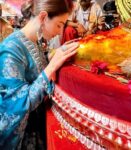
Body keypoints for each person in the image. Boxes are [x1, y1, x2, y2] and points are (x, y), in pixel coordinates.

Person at [0, 0, 79, 149]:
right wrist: (52, 65)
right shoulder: (11, 50)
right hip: (19, 137)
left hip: (36, 127)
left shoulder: (33, 41)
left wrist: (51, 60)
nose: (60, 32)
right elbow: (17, 105)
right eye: (59, 24)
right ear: (43, 17)